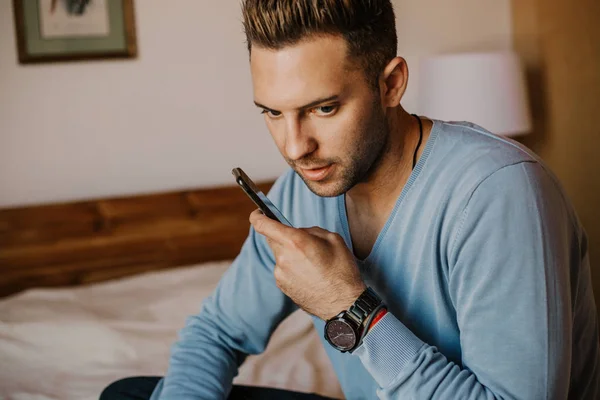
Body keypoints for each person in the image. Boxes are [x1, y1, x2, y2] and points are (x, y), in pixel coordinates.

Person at [101, 0, 600, 399]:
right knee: (131, 394)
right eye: (273, 113)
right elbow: (215, 333)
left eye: (323, 108)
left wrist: (348, 306)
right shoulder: (304, 187)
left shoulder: (499, 193)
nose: (295, 147)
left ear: (391, 83)